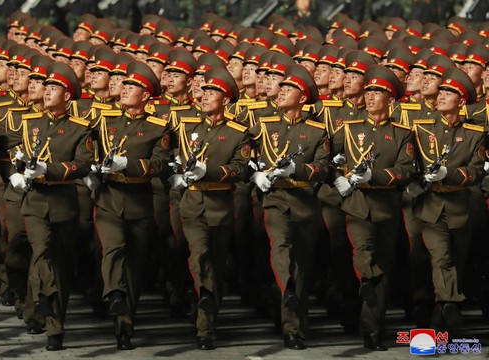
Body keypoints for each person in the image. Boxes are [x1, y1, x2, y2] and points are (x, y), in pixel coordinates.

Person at [8, 62, 92, 350]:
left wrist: (50, 169)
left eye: (54, 89)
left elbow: (82, 165)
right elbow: (19, 155)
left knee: (62, 264)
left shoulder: (80, 129)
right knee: (41, 249)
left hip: (63, 202)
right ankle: (43, 298)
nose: (47, 92)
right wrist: (18, 170)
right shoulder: (31, 123)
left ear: (67, 96)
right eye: (47, 87)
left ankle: (56, 327)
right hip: (35, 201)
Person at [91, 61, 172, 350]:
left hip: (139, 200)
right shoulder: (105, 122)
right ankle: (113, 294)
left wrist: (131, 165)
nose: (125, 90)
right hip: (109, 198)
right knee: (112, 249)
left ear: (146, 95)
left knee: (134, 266)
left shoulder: (158, 127)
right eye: (124, 85)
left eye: (132, 87)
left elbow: (161, 163)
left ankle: (125, 325)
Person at [333, 65, 414, 351]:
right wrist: (339, 181)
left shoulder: (403, 133)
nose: (369, 97)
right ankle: (365, 277)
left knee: (383, 268)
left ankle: (372, 329)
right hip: (357, 204)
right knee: (363, 252)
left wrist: (375, 176)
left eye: (377, 93)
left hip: (386, 206)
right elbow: (328, 158)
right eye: (368, 92)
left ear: (390, 100)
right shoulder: (349, 129)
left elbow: (405, 171)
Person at [170, 66, 249, 350]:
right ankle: (204, 321)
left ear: (225, 100)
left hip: (219, 206)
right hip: (192, 204)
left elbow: (240, 169)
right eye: (203, 91)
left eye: (212, 92)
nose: (204, 97)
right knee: (199, 252)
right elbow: (179, 159)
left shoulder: (238, 133)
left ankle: (209, 316)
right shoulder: (188, 127)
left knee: (215, 262)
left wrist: (210, 171)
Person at [250, 64, 328, 349]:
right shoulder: (263, 125)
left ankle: (295, 325)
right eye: (280, 88)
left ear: (303, 98)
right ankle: (288, 292)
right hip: (276, 200)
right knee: (280, 248)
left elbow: (323, 169)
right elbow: (245, 154)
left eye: (288, 89)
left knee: (303, 264)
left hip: (304, 202)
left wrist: (299, 169)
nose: (281, 92)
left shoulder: (317, 131)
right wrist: (255, 173)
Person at [408, 67, 485, 331]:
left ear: (462, 102)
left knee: (456, 263)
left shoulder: (475, 134)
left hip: (460, 207)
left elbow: (475, 172)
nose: (441, 96)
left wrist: (449, 174)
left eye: (449, 92)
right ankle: (450, 301)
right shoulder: (421, 130)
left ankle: (442, 321)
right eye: (441, 91)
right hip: (430, 206)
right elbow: (410, 165)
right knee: (441, 258)